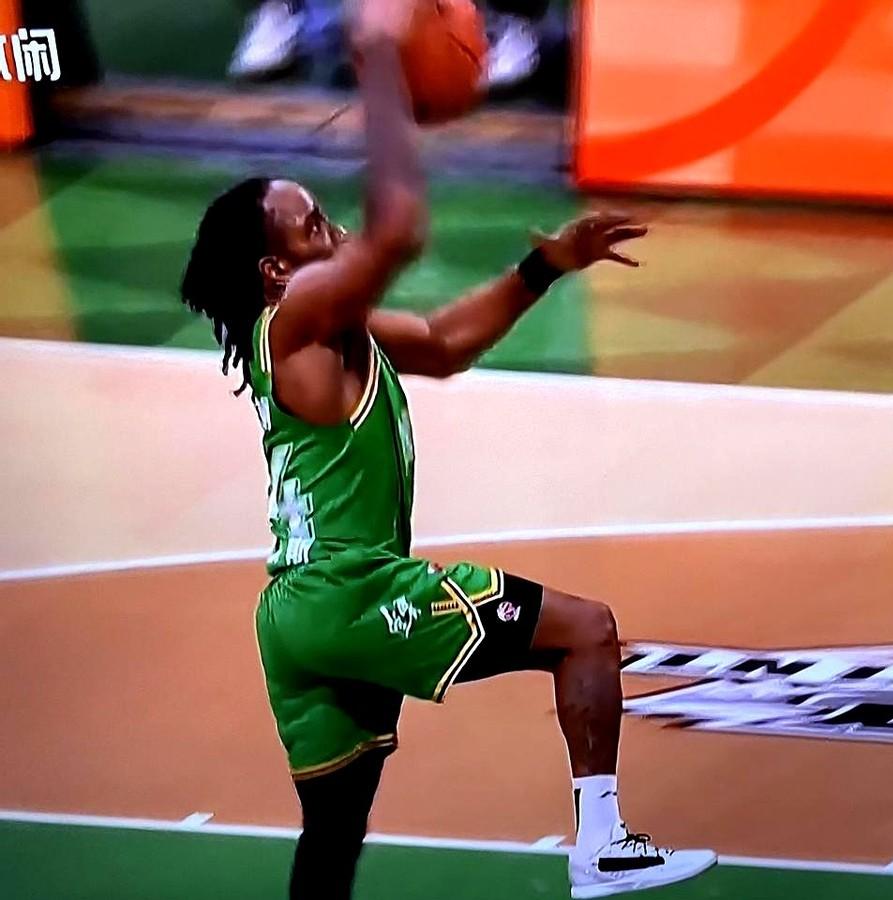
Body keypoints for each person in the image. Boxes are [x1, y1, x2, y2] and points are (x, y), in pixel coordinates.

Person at [181, 1, 717, 897]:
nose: (337, 235)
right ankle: (602, 845)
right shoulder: (296, 319)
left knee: (332, 840)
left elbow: (442, 340)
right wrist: (382, 69)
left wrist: (543, 268)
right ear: (275, 272)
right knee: (587, 631)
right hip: (354, 591)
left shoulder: (331, 332)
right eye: (314, 229)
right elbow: (397, 230)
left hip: (296, 617)